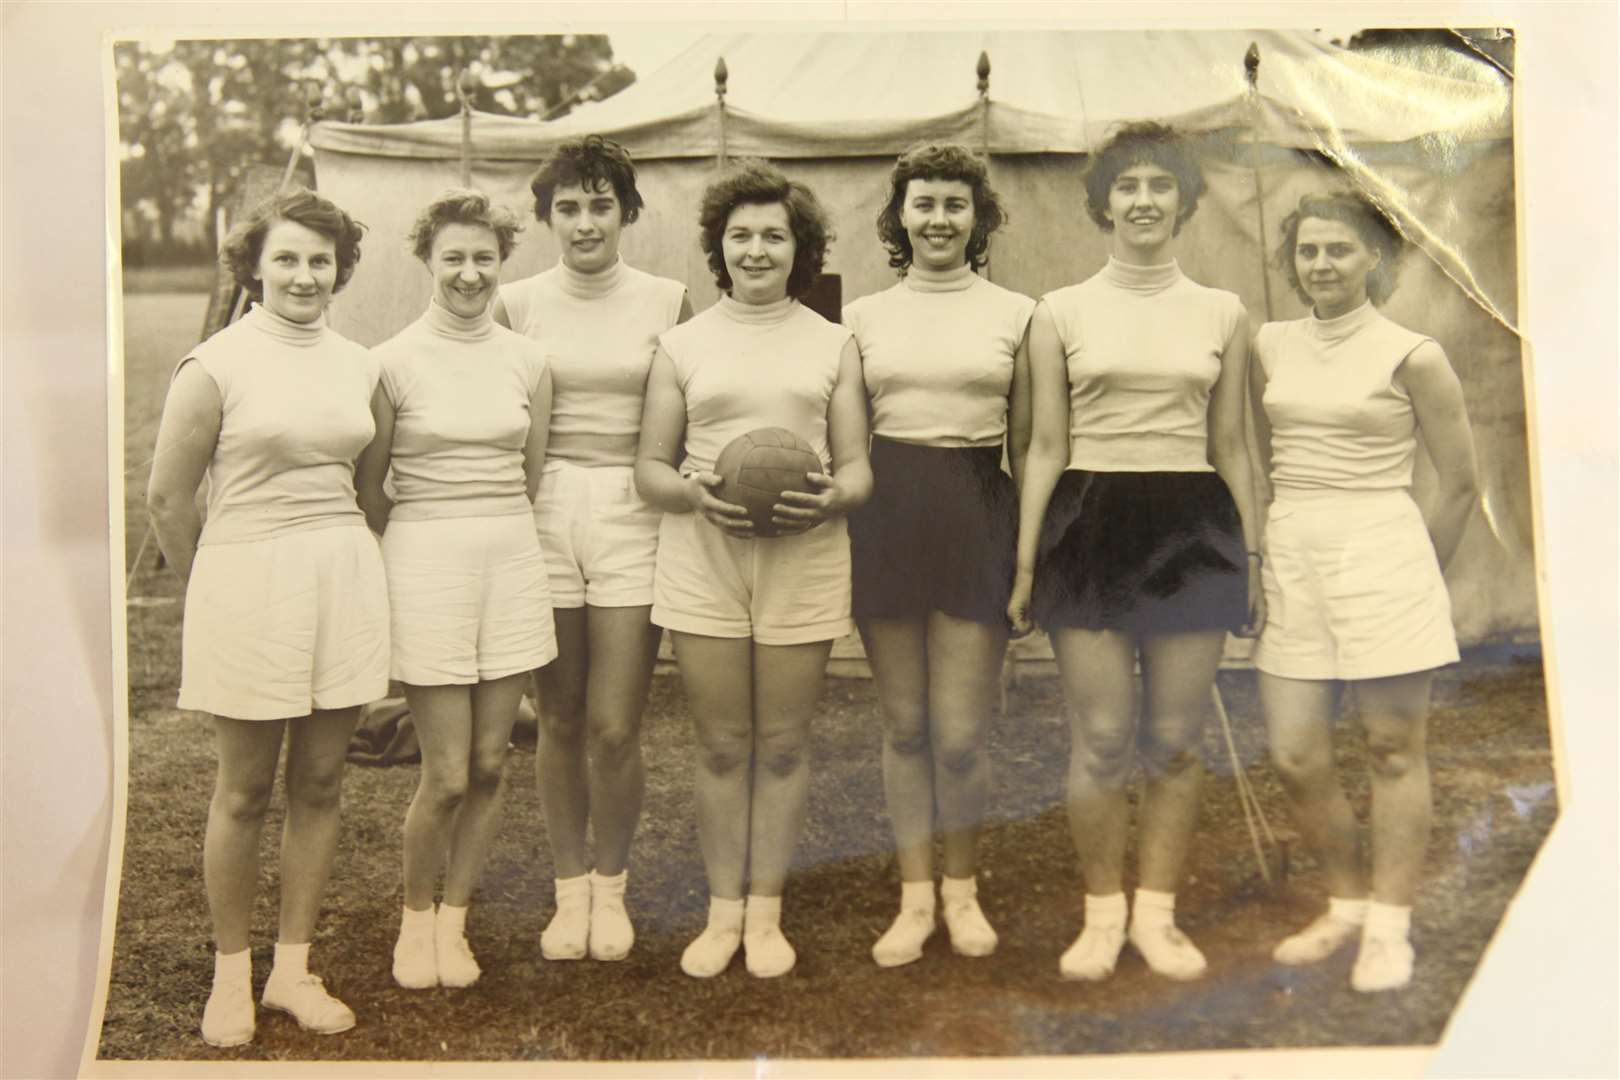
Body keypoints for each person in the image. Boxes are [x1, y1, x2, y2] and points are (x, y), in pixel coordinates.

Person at [1007, 122, 1263, 982]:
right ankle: (1101, 915)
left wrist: (1252, 557)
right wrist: (1024, 561)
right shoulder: (1061, 310)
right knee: (1105, 737)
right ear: (1103, 203)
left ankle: (1157, 917)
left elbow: (1232, 444)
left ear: (1184, 203)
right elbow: (1045, 444)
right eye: (1128, 186)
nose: (1145, 200)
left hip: (1192, 525)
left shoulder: (1223, 311)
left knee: (1176, 742)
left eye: (1162, 185)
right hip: (1089, 520)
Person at [146, 187, 385, 1046]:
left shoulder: (360, 363)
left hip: (340, 576)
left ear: (340, 270)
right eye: (286, 257)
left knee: (321, 783)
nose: (304, 274)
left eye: (321, 259)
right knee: (245, 791)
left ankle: (292, 968)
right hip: (247, 579)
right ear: (253, 265)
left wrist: (344, 561)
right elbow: (169, 501)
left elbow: (369, 491)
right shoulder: (214, 364)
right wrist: (214, 589)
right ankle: (231, 977)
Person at [635, 160, 872, 978]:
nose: (757, 249)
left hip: (803, 557)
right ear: (719, 245)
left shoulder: (834, 341)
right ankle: (721, 911)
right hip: (704, 555)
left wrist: (830, 499)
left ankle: (765, 914)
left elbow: (859, 468)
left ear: (798, 247)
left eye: (774, 235)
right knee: (721, 741)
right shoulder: (682, 343)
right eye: (741, 235)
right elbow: (650, 470)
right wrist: (695, 494)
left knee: (781, 741)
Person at [1250, 190, 1478, 993]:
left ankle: (1389, 926)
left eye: (1339, 250)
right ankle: (1344, 904)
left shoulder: (1412, 353)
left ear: (1374, 259)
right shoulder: (1270, 345)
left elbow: (1458, 485)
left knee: (1391, 748)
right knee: (1296, 751)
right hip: (1294, 547)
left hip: (1383, 548)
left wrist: (1417, 576)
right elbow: (1259, 454)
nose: (1321, 265)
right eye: (1308, 251)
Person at [493, 136, 690, 962]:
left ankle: (612, 889)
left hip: (630, 507)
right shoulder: (515, 301)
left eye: (600, 204)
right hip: (542, 508)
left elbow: (684, 416)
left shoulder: (668, 299)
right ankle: (568, 891)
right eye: (567, 207)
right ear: (546, 218)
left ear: (627, 213)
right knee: (560, 717)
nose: (584, 222)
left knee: (615, 724)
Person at [355, 190, 556, 990]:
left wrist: (491, 530)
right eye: (454, 258)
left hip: (509, 557)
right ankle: (413, 924)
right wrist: (430, 535)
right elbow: (372, 492)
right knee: (443, 773)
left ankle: (454, 926)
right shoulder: (390, 360)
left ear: (501, 263)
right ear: (427, 262)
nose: (470, 274)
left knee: (491, 763)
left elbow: (530, 475)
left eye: (484, 259)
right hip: (425, 561)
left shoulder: (529, 361)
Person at [843, 143, 1035, 967]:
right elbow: (847, 444)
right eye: (923, 204)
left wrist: (1027, 561)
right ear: (900, 217)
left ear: (978, 218)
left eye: (956, 204)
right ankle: (915, 899)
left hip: (977, 508)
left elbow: (1029, 449)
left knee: (960, 734)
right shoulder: (859, 317)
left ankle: (963, 891)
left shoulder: (1019, 313)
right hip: (888, 510)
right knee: (906, 725)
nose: (939, 219)